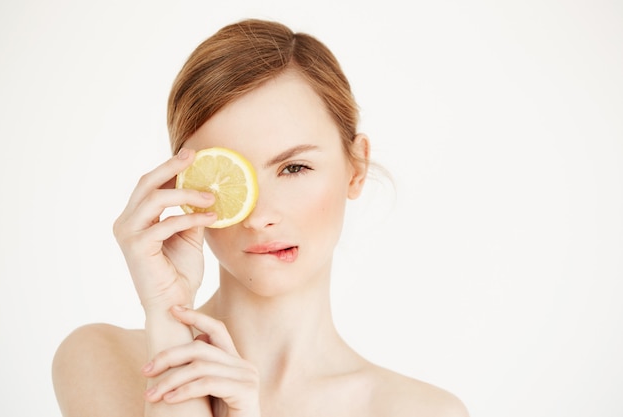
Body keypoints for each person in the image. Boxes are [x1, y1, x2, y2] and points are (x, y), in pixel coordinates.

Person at [52, 18, 469, 417]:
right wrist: (167, 315)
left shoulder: (424, 412)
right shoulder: (104, 360)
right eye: (233, 178)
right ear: (184, 184)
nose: (260, 217)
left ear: (355, 168)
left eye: (293, 168)